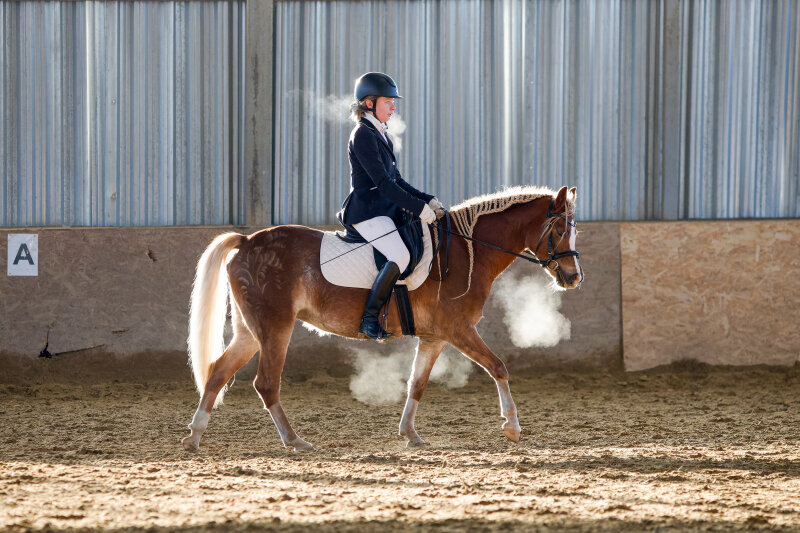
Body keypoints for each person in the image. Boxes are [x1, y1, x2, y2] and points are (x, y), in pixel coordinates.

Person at [338, 72, 443, 340]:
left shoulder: (380, 133)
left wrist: (426, 199)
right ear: (369, 103)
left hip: (382, 208)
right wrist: (419, 210)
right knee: (400, 255)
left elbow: (397, 180)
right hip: (366, 211)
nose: (393, 107)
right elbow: (384, 184)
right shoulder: (363, 134)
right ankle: (369, 319)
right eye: (388, 102)